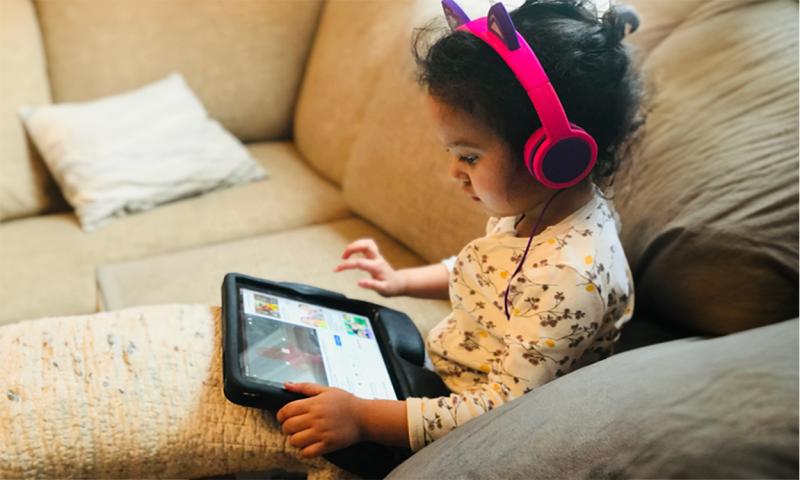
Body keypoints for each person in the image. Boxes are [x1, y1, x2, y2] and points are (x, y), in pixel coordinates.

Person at [276, 0, 642, 460]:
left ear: (555, 156)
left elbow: (504, 410)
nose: (453, 172)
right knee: (362, 325)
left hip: (471, 427)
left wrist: (364, 418)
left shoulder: (568, 278)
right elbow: (491, 271)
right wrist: (403, 281)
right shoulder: (541, 205)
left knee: (309, 428)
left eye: (469, 156)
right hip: (449, 366)